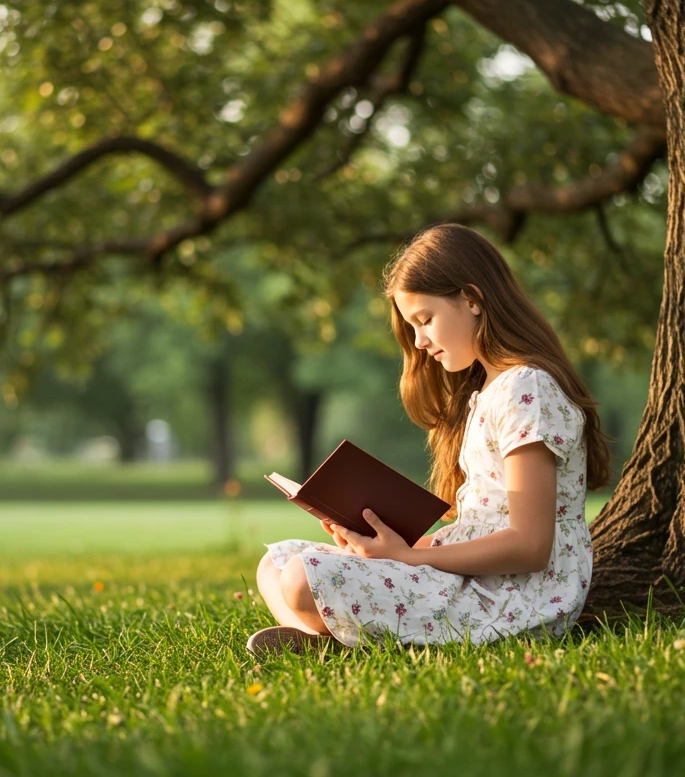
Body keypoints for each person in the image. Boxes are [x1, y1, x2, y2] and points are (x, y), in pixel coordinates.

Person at [248, 222, 613, 657]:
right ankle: (339, 641)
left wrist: (405, 559)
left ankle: (345, 640)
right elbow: (476, 531)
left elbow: (530, 546)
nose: (420, 342)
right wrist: (377, 544)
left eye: (425, 320)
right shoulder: (488, 393)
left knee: (298, 578)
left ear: (472, 300)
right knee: (275, 562)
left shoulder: (525, 389)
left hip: (515, 599)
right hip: (473, 577)